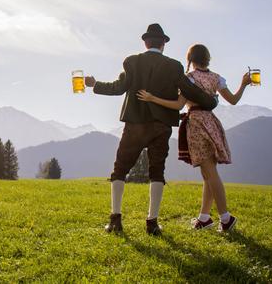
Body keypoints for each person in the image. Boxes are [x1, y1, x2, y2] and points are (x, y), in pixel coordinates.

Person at [85, 24, 218, 235]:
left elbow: (118, 88)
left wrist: (95, 84)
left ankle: (115, 220)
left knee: (120, 170)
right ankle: (152, 223)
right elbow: (191, 90)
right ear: (163, 44)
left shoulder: (132, 62)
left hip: (135, 124)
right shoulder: (174, 67)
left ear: (145, 42)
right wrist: (211, 102)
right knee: (157, 172)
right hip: (161, 127)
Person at [137, 44, 251, 232]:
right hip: (212, 124)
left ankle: (226, 218)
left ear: (190, 59)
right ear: (207, 59)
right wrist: (244, 84)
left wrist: (152, 99)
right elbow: (233, 100)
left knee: (210, 173)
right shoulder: (216, 78)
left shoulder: (189, 79)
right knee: (208, 173)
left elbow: (178, 105)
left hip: (197, 124)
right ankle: (204, 219)